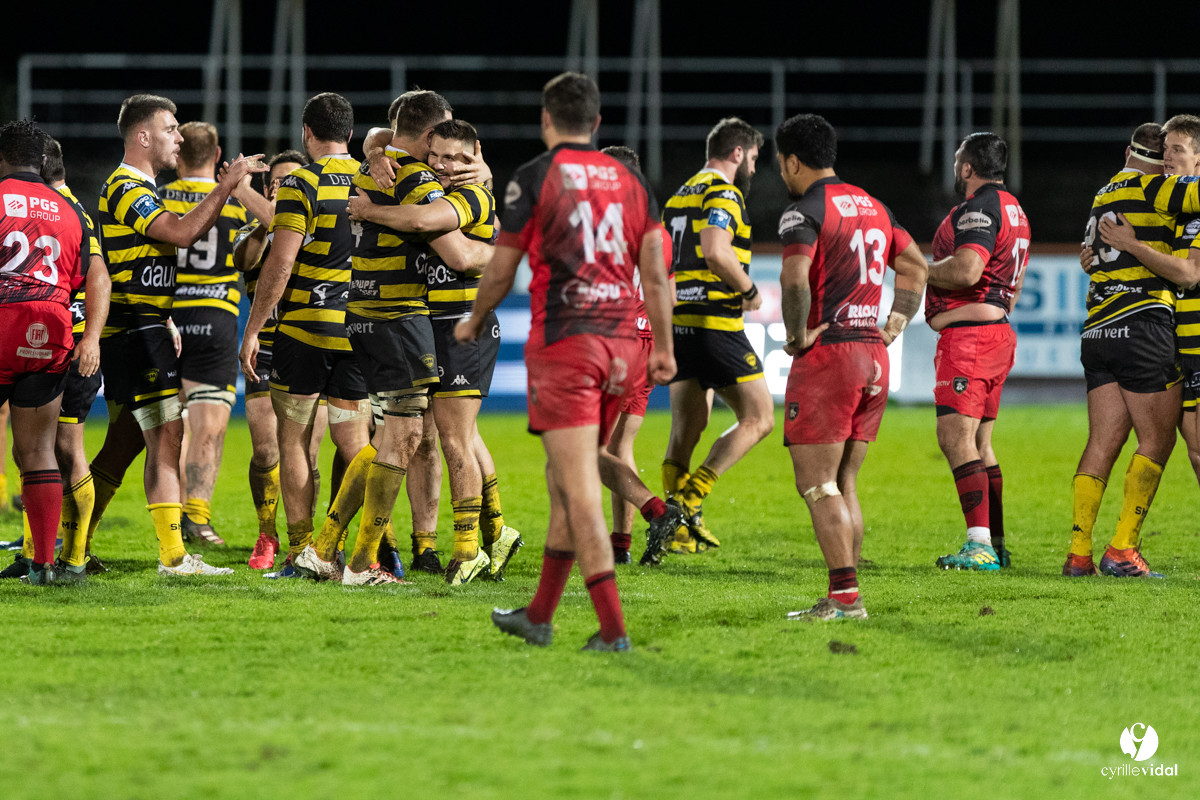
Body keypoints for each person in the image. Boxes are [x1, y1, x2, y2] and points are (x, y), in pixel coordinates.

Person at [456, 71, 676, 651]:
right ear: (597, 123)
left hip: (568, 346)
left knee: (577, 487)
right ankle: (540, 615)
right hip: (625, 346)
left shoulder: (536, 177)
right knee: (564, 481)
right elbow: (655, 274)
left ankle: (612, 628)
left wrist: (475, 319)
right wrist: (667, 351)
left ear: (546, 119)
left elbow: (502, 265)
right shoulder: (633, 182)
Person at [292, 90, 492, 586]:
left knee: (391, 437)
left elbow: (382, 139)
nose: (446, 156)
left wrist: (378, 148)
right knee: (403, 439)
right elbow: (459, 255)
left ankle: (322, 549)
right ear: (430, 136)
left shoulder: (371, 166)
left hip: (361, 313)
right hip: (397, 317)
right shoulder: (417, 178)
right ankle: (358, 563)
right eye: (441, 144)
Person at [346, 118, 524, 581]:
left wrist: (367, 211)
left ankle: (469, 547)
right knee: (442, 436)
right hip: (432, 326)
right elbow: (384, 131)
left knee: (452, 439)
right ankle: (492, 532)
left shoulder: (470, 194)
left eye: (457, 158)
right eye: (438, 156)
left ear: (476, 154)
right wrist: (373, 148)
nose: (446, 165)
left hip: (465, 327)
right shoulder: (429, 187)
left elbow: (457, 252)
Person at [94, 94, 258, 576]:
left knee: (123, 445)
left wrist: (164, 314)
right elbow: (182, 234)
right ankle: (174, 557)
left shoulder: (137, 187)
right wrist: (226, 187)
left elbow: (139, 261)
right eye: (170, 128)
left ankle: (70, 548)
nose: (179, 137)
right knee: (169, 436)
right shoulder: (129, 187)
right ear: (143, 137)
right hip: (135, 332)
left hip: (144, 324)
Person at [774, 113, 927, 619]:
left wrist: (796, 336)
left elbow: (795, 278)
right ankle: (846, 590)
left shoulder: (805, 211)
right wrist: (897, 320)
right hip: (873, 356)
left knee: (818, 485)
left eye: (782, 164)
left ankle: (846, 598)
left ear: (793, 160)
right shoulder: (875, 206)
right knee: (844, 482)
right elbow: (916, 265)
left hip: (830, 357)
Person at [240, 92, 371, 578]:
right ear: (351, 134)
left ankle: (299, 552)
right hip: (358, 328)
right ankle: (348, 549)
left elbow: (282, 259)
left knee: (293, 442)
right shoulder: (371, 180)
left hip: (306, 327)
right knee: (356, 445)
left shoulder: (301, 183)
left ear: (306, 133)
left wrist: (254, 329)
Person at [1064, 122, 1200, 578]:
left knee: (1101, 443)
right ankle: (1123, 548)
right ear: (1159, 156)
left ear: (1127, 151)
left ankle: (1078, 553)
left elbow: (1094, 250)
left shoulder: (1104, 193)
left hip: (1097, 328)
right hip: (1141, 325)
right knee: (1158, 440)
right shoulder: (1157, 187)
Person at [649, 116, 773, 562]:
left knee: (687, 427)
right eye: (754, 158)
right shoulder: (723, 192)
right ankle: (691, 500)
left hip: (679, 321)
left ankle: (677, 529)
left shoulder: (678, 195)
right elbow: (718, 250)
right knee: (759, 418)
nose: (755, 168)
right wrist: (750, 290)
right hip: (714, 323)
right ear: (737, 152)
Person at [924, 132, 1030, 571]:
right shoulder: (1014, 209)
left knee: (955, 439)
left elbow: (968, 269)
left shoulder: (980, 207)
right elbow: (1016, 284)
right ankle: (996, 543)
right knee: (981, 443)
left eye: (956, 162)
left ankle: (980, 545)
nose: (955, 168)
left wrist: (919, 269)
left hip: (970, 340)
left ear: (968, 168)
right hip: (995, 334)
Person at [231, 149, 332, 572]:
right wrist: (256, 211)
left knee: (308, 454)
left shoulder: (316, 224)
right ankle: (267, 532)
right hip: (268, 346)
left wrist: (241, 191)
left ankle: (309, 539)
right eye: (277, 181)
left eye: (292, 180)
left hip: (311, 342)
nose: (283, 186)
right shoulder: (252, 231)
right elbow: (245, 259)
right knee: (266, 450)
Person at [0, 119, 91, 585]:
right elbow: (84, 277)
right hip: (51, 329)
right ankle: (43, 566)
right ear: (42, 159)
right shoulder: (69, 209)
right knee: (38, 451)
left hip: (2, 318)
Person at [160, 121, 257, 547]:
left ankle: (170, 513)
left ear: (177, 154)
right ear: (218, 156)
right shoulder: (235, 205)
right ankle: (197, 517)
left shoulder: (157, 199)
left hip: (167, 318)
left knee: (168, 422)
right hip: (216, 316)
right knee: (209, 424)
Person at [1094, 115, 1200, 492]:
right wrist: (1101, 253)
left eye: (1177, 150)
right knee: (1194, 449)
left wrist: (1131, 246)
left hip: (1196, 342)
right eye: (1164, 149)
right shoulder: (1171, 209)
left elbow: (1189, 275)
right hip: (1176, 343)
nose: (1166, 157)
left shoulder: (1191, 204)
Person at [594, 144, 685, 565]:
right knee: (619, 447)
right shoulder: (659, 232)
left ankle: (657, 511)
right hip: (645, 344)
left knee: (581, 451)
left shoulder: (602, 225)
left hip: (614, 346)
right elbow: (666, 294)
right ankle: (621, 544)